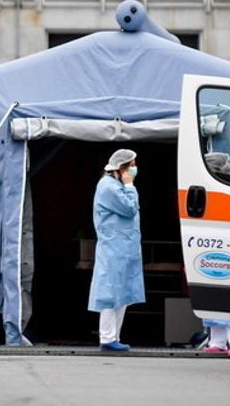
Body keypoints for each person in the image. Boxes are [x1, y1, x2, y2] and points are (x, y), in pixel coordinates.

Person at [88, 148, 145, 352]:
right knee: (110, 293)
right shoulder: (109, 187)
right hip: (114, 248)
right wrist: (130, 185)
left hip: (124, 248)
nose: (134, 168)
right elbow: (129, 208)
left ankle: (114, 337)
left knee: (122, 293)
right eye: (132, 165)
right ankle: (107, 337)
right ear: (122, 168)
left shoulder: (115, 185)